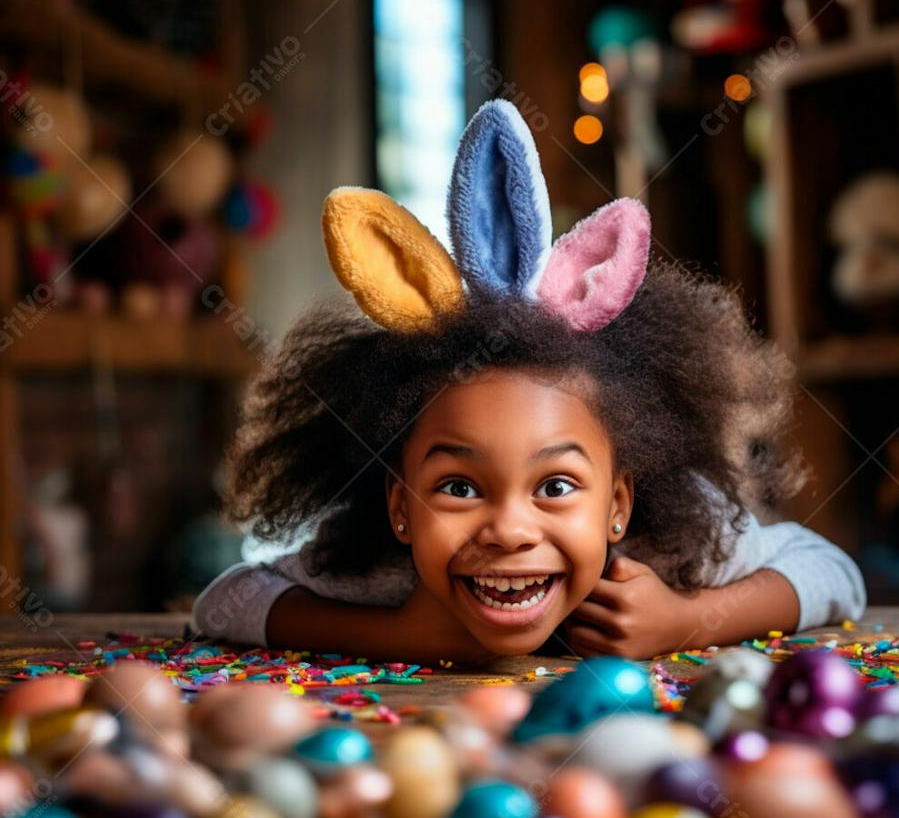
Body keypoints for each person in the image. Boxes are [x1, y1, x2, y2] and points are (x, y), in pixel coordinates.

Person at [194, 100, 865, 663]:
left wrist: (689, 620)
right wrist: (399, 635)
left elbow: (836, 574)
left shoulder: (673, 549)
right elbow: (225, 599)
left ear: (617, 504)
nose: (510, 530)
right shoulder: (383, 572)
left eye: (556, 486)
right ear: (400, 508)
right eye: (458, 487)